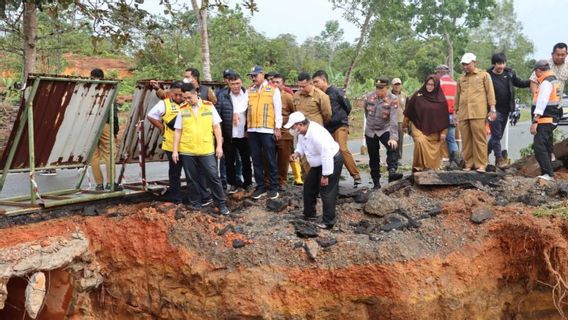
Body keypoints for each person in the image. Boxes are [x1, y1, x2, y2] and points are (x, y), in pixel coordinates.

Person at [147, 81, 212, 205]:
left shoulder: (189, 104)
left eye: (180, 95)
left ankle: (200, 197)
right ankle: (176, 199)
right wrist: (162, 128)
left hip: (189, 146)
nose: (178, 97)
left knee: (195, 173)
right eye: (175, 94)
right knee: (175, 173)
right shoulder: (164, 104)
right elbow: (151, 116)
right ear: (170, 92)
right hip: (172, 145)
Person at [172, 83, 229, 214]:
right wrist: (175, 150)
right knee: (192, 179)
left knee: (213, 176)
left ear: (195, 93)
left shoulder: (209, 106)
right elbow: (178, 131)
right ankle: (196, 204)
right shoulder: (183, 108)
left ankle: (221, 204)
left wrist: (219, 146)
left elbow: (216, 127)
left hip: (206, 148)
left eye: (189, 97)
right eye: (185, 98)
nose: (187, 100)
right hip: (188, 149)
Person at [286, 112, 343, 230]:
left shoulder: (316, 134)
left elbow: (326, 154)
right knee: (309, 187)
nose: (292, 129)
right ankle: (309, 214)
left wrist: (325, 175)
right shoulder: (303, 132)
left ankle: (328, 221)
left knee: (326, 191)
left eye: (292, 127)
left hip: (330, 160)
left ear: (300, 124)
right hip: (318, 163)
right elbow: (301, 145)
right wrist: (297, 153)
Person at [312, 70, 361, 187]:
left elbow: (347, 107)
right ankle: (331, 178)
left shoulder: (336, 92)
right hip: (327, 128)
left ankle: (356, 175)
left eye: (316, 82)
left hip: (340, 125)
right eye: (313, 82)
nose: (314, 85)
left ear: (324, 80)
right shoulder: (318, 95)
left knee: (342, 149)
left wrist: (341, 118)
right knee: (329, 152)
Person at [454, 52, 496, 173]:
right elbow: (457, 96)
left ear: (474, 63)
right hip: (463, 113)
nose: (465, 66)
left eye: (467, 64)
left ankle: (481, 164)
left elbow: (490, 93)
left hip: (478, 113)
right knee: (466, 140)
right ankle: (469, 163)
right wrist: (455, 111)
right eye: (463, 64)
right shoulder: (461, 79)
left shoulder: (484, 75)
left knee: (479, 139)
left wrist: (492, 109)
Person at [487, 53, 530, 168]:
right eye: (498, 63)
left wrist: (532, 81)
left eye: (503, 63)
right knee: (496, 134)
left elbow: (519, 83)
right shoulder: (487, 76)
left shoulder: (509, 73)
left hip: (506, 109)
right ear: (493, 64)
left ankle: (485, 152)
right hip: (493, 109)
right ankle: (499, 158)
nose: (501, 66)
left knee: (498, 135)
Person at [246, 65, 282, 200]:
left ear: (262, 74)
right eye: (251, 76)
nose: (253, 78)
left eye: (255, 75)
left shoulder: (273, 90)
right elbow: (245, 109)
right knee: (255, 159)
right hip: (252, 130)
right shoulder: (249, 91)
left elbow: (278, 110)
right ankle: (260, 186)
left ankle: (273, 187)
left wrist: (277, 127)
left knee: (270, 159)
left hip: (266, 129)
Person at [215, 73, 253, 193]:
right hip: (228, 134)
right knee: (229, 161)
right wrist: (220, 134)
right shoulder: (222, 95)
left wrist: (249, 128)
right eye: (233, 84)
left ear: (241, 83)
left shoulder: (248, 94)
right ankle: (232, 184)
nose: (236, 86)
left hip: (244, 133)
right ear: (228, 84)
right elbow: (217, 116)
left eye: (238, 83)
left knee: (246, 160)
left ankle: (248, 183)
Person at [404, 75, 450, 171]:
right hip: (417, 127)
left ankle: (430, 169)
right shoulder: (417, 95)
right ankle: (418, 167)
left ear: (436, 86)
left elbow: (445, 118)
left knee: (432, 151)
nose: (429, 87)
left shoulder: (441, 100)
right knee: (420, 142)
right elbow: (408, 111)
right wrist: (405, 124)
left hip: (434, 131)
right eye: (428, 84)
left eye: (432, 85)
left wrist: (444, 132)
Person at [364, 77, 403, 189]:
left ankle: (392, 172)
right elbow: (366, 112)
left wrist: (393, 137)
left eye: (382, 88)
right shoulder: (369, 97)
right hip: (371, 130)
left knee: (393, 146)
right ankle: (376, 183)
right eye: (377, 88)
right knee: (373, 157)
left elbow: (394, 119)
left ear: (387, 88)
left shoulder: (393, 99)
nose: (379, 91)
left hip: (384, 129)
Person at [89, 68, 122, 191]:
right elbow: (113, 112)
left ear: (91, 76)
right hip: (105, 124)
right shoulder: (108, 89)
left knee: (94, 155)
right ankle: (110, 183)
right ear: (103, 77)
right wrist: (115, 129)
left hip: (90, 125)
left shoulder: (87, 89)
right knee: (109, 153)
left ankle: (99, 185)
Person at [530, 60, 562, 181]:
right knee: (547, 145)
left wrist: (535, 121)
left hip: (545, 119)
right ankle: (548, 172)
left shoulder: (546, 83)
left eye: (535, 72)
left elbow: (542, 102)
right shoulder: (553, 80)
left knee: (539, 146)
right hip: (551, 118)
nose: (535, 74)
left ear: (538, 70)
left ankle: (548, 173)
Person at [273, 74, 303, 186]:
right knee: (268, 158)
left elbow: (295, 113)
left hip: (285, 132)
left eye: (278, 82)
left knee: (284, 159)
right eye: (274, 82)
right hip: (271, 131)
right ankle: (270, 181)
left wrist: (291, 128)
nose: (275, 84)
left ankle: (282, 181)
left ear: (283, 84)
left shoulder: (288, 97)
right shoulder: (268, 95)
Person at [150, 68, 217, 104]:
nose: (185, 79)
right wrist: (157, 88)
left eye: (187, 77)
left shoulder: (206, 90)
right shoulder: (181, 88)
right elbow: (164, 94)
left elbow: (214, 104)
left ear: (195, 78)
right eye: (184, 77)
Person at [435, 64, 459, 166]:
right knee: (451, 139)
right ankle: (456, 160)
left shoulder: (439, 83)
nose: (436, 74)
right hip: (452, 114)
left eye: (437, 72)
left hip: (441, 114)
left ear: (440, 72)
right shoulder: (455, 83)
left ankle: (436, 162)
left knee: (437, 138)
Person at [391, 77, 407, 162]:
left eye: (398, 84)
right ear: (392, 86)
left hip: (401, 121)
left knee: (400, 140)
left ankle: (398, 158)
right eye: (395, 85)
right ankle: (392, 158)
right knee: (392, 140)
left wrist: (406, 122)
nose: (397, 86)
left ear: (400, 85)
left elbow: (407, 108)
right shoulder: (389, 95)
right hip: (391, 121)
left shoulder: (404, 95)